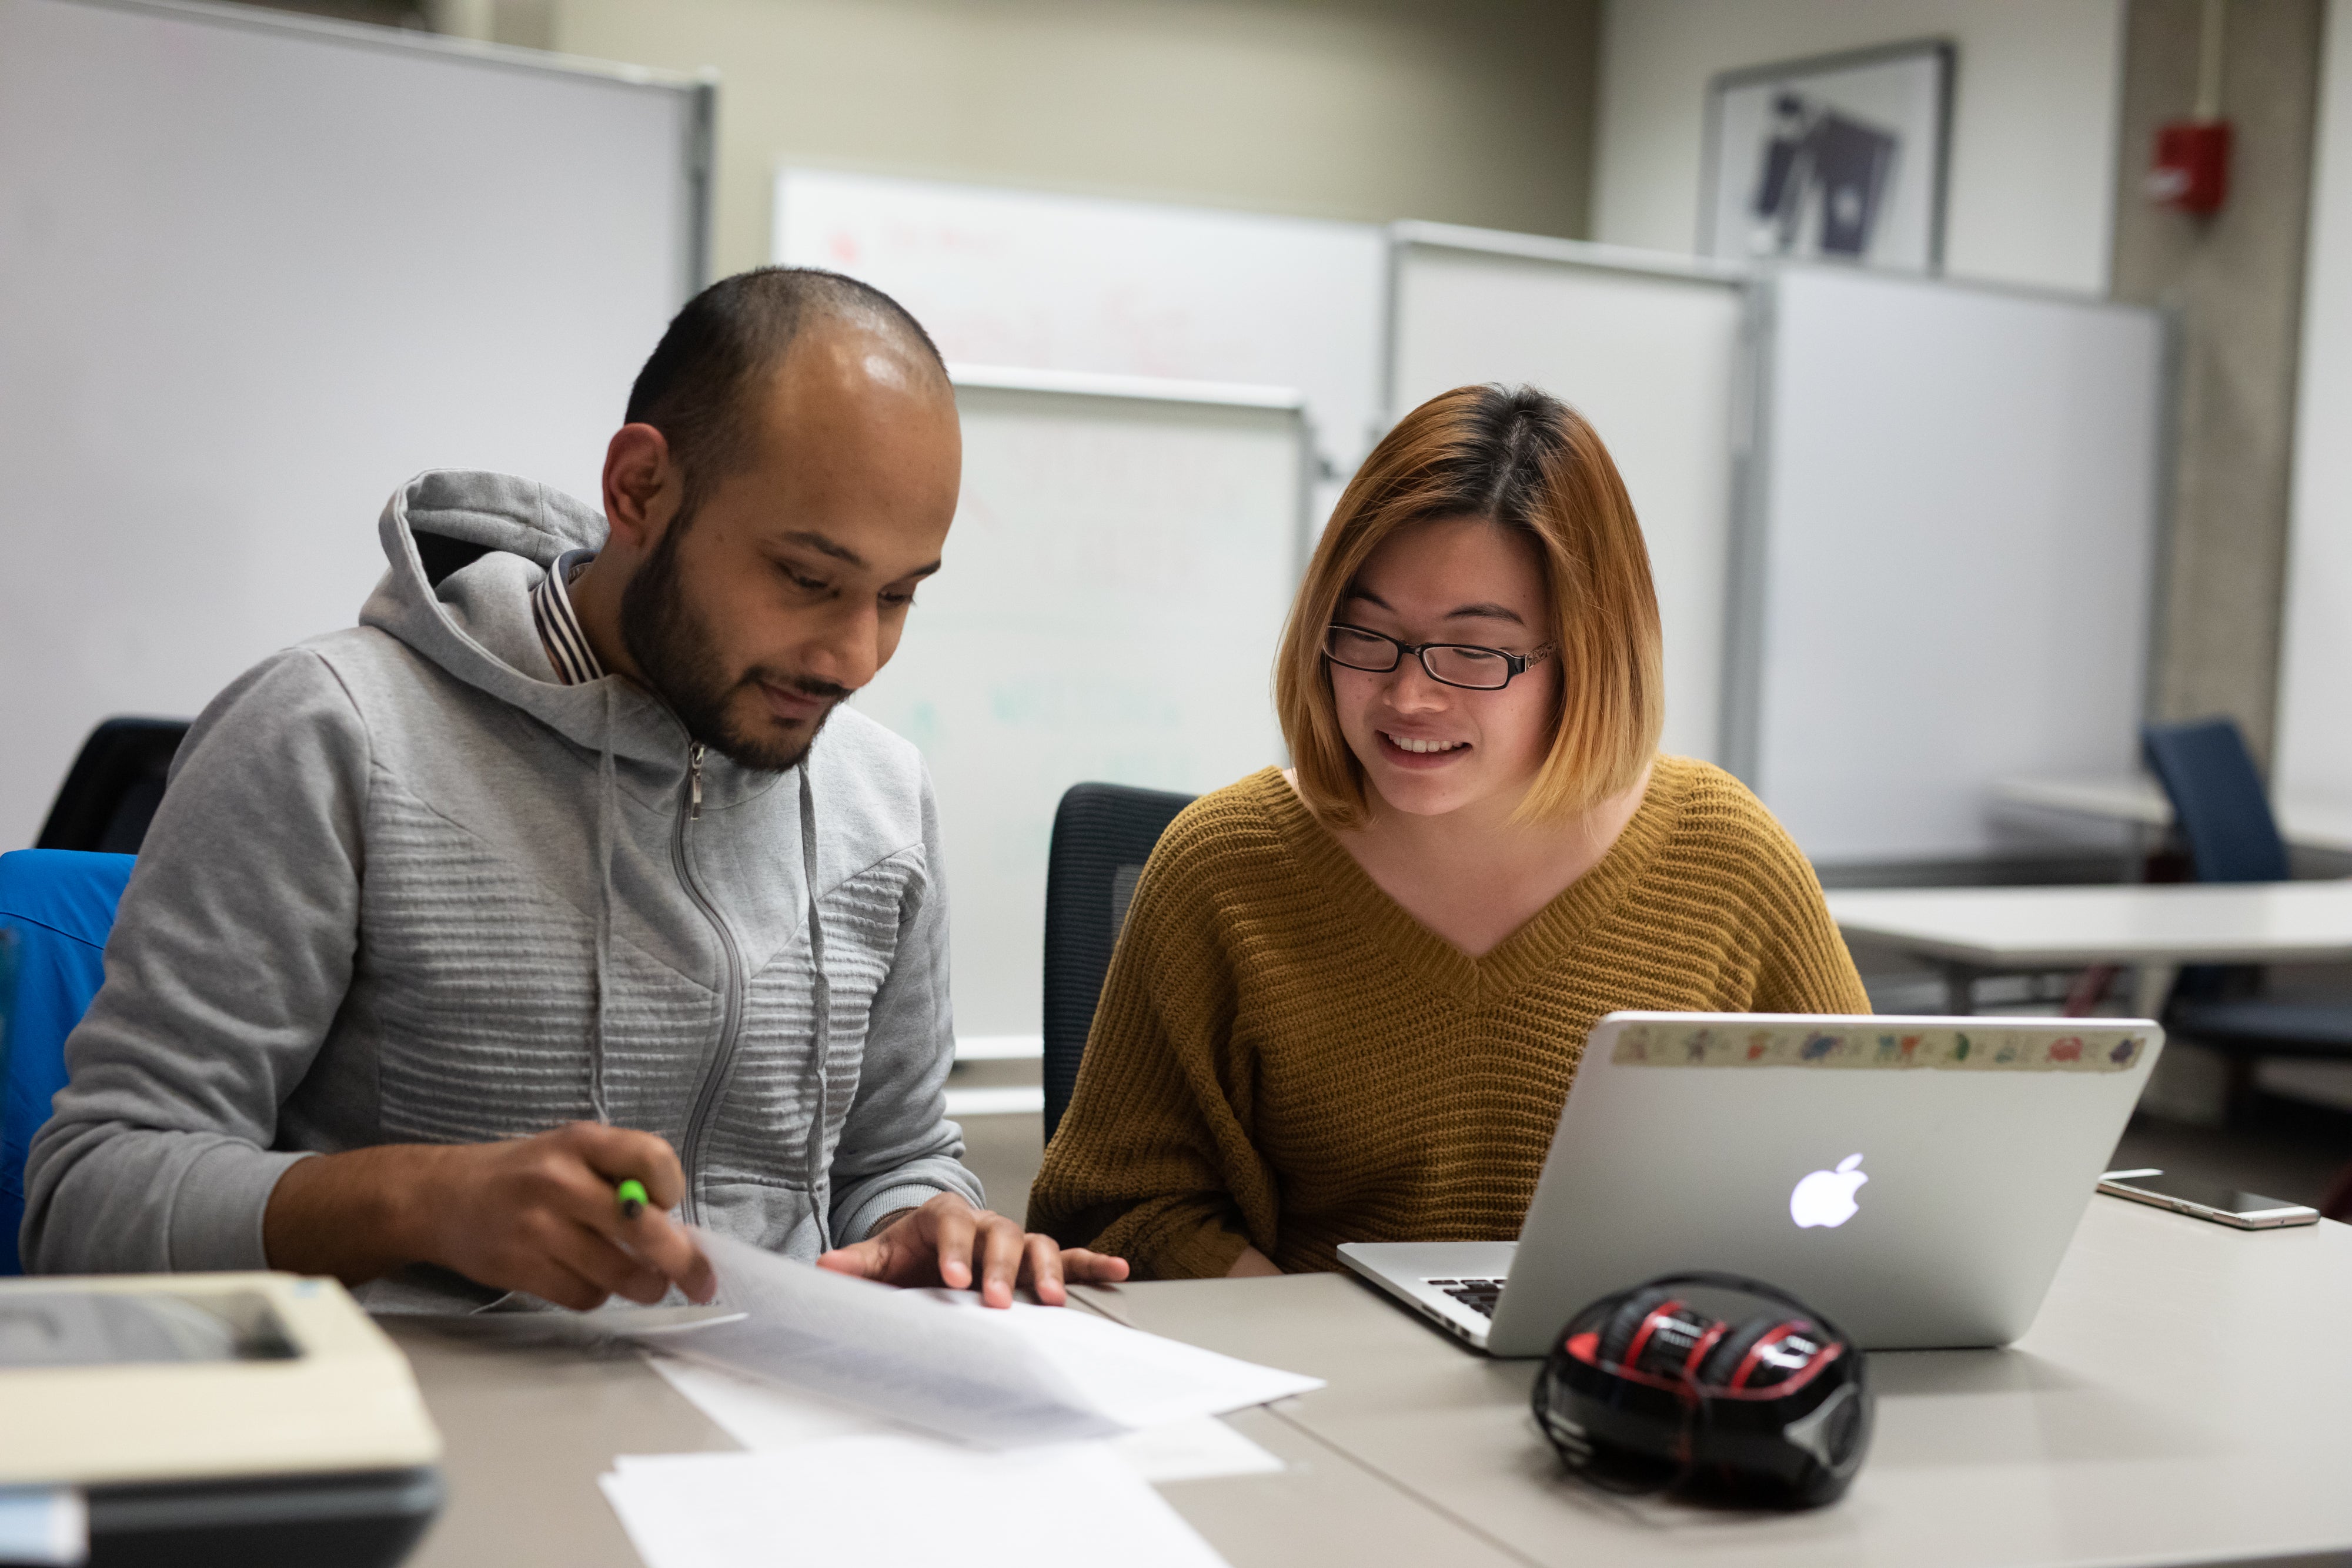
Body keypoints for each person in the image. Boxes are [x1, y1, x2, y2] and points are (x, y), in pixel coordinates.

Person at [24, 267, 1125, 1311]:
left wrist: (933, 1222)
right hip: (429, 1417)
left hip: (779, 1418)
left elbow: (896, 1157)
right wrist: (422, 1202)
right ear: (639, 488)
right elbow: (90, 1196)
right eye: (806, 578)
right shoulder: (329, 734)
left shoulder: (880, 800)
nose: (855, 658)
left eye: (898, 597)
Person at [1027, 383, 1869, 1280]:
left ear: (1588, 655)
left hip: (1636, 1354)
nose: (1408, 696)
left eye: (1473, 651)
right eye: (1367, 635)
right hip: (1314, 1358)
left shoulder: (1727, 859)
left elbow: (1872, 1171)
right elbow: (1112, 1210)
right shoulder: (1222, 867)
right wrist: (1300, 1330)